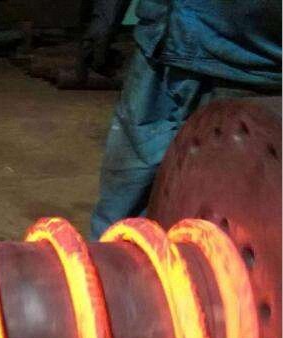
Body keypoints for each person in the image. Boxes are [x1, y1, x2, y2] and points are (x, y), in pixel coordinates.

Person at [90, 0, 282, 240]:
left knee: (237, 219)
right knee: (127, 201)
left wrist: (104, 23)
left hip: (247, 65)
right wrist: (104, 21)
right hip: (171, 53)